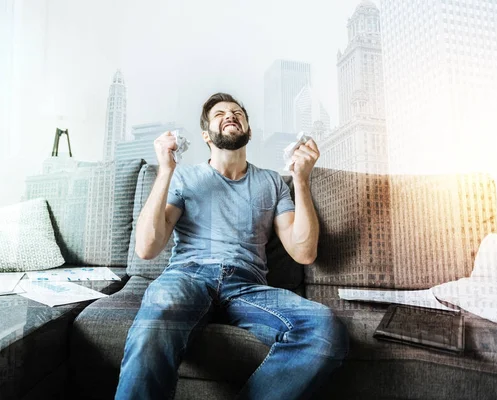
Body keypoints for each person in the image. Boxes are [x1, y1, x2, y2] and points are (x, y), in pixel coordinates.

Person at [115, 93, 349, 400]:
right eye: (219, 113)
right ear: (205, 135)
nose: (230, 115)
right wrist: (165, 170)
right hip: (188, 277)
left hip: (247, 287)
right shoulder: (184, 177)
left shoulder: (272, 183)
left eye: (237, 112)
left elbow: (303, 252)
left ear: (248, 131)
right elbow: (146, 247)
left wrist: (301, 179)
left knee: (324, 328)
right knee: (159, 307)